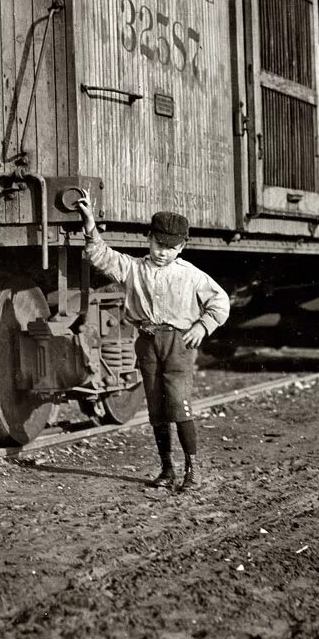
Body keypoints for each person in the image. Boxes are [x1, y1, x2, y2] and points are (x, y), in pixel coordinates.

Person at [73, 192, 230, 491]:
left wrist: (203, 326)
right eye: (159, 244)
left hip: (178, 344)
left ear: (182, 247)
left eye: (172, 248)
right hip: (146, 342)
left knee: (179, 406)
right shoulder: (133, 268)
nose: (163, 253)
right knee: (157, 408)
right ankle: (167, 469)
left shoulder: (191, 276)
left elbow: (220, 302)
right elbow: (101, 256)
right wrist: (89, 223)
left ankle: (192, 472)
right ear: (149, 239)